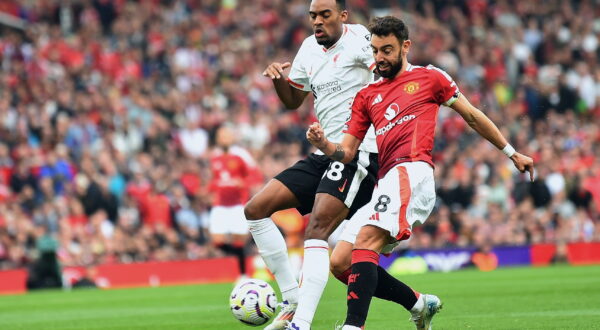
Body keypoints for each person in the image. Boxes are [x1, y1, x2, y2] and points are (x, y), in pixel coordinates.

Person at [307, 16, 535, 330]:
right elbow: (346, 152)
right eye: (375, 50)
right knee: (341, 262)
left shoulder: (430, 78)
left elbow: (471, 115)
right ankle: (418, 303)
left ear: (405, 46)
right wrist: (324, 144)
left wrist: (511, 152)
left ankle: (352, 326)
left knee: (366, 240)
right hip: (386, 181)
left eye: (386, 50)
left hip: (412, 172)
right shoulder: (367, 96)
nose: (379, 58)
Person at [245, 0, 378, 329]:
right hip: (323, 151)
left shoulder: (359, 39)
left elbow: (388, 72)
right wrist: (279, 79)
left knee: (316, 230)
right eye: (313, 16)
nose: (317, 22)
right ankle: (290, 299)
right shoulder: (308, 48)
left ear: (343, 16)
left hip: (356, 151)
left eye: (325, 15)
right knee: (255, 209)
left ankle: (300, 323)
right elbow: (293, 101)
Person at [208, 126, 251, 279]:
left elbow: (250, 177)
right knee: (217, 242)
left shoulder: (239, 157)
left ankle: (243, 274)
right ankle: (240, 258)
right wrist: (210, 190)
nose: (224, 138)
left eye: (227, 135)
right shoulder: (214, 159)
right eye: (221, 136)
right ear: (218, 139)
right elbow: (212, 181)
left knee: (239, 241)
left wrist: (242, 184)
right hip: (220, 206)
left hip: (237, 205)